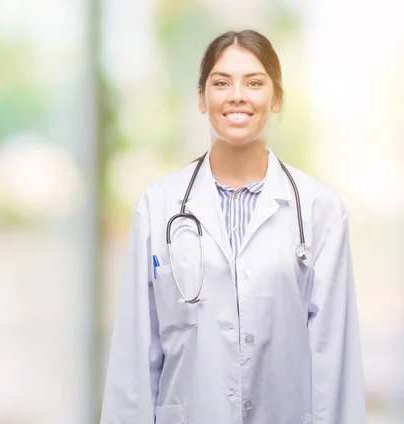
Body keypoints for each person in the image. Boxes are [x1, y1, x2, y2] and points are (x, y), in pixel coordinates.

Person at [100, 30, 366, 424]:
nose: (237, 95)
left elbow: (334, 354)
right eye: (221, 82)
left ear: (276, 99)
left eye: (254, 83)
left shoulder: (319, 209)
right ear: (201, 99)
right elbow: (135, 355)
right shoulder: (158, 206)